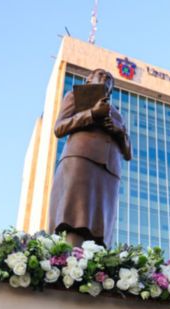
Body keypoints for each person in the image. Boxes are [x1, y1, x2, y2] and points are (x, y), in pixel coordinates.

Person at [48, 68, 132, 248]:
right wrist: (92, 114)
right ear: (88, 80)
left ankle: (97, 267)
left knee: (101, 226)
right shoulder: (75, 96)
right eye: (101, 75)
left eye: (110, 79)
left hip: (109, 170)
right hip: (82, 160)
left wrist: (118, 132)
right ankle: (70, 263)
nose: (106, 79)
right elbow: (59, 128)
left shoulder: (117, 114)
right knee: (76, 216)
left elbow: (128, 152)